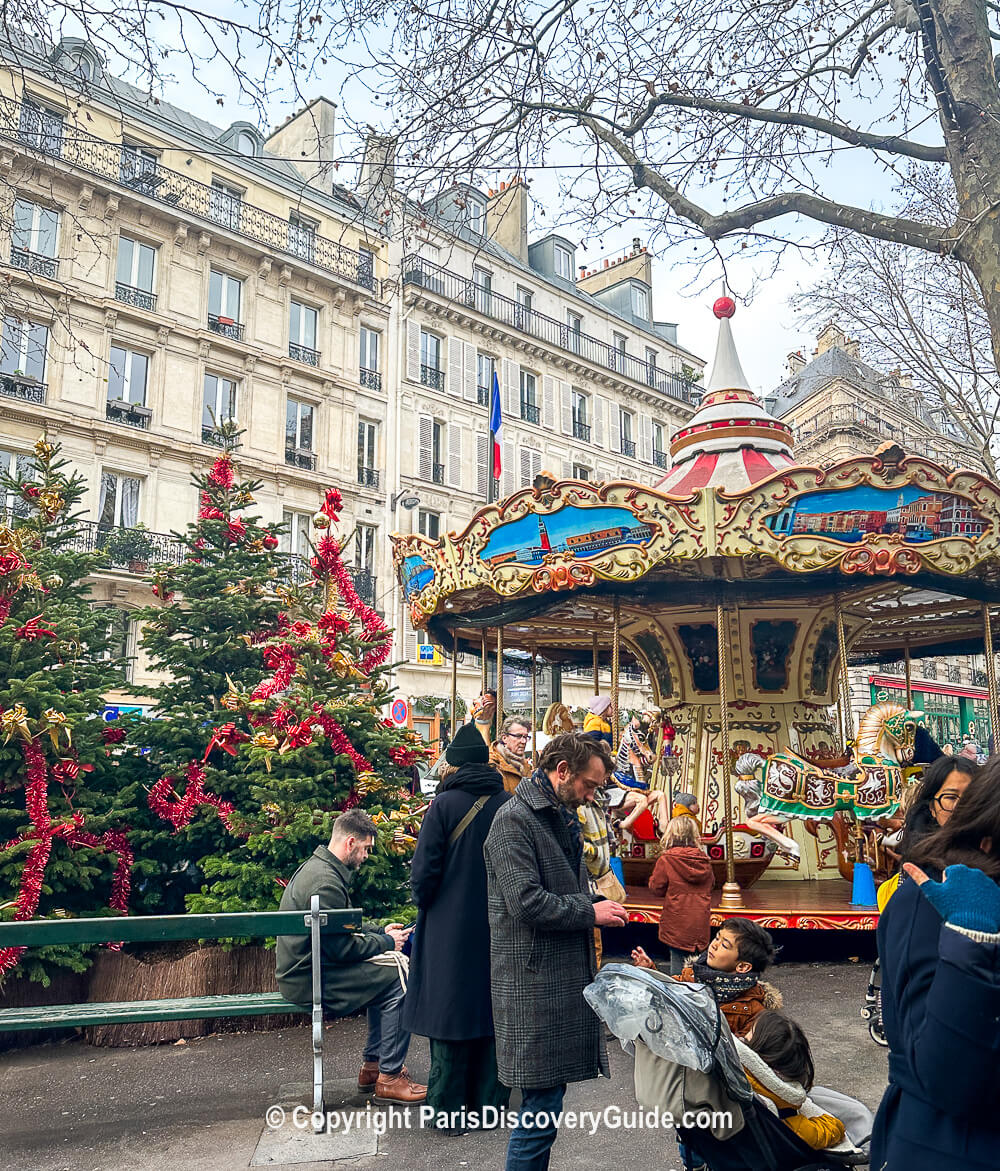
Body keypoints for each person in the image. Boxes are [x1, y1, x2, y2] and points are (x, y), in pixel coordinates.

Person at [484, 732, 628, 1171]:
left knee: (544, 1106)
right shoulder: (514, 820)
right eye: (589, 784)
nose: (592, 794)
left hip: (547, 975)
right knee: (539, 1110)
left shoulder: (555, 814)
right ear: (562, 771)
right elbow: (525, 902)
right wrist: (591, 910)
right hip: (532, 980)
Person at [872, 764, 1000, 1171]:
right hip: (951, 1142)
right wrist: (972, 938)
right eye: (950, 798)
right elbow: (945, 1073)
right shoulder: (931, 894)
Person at [402, 723, 511, 1133]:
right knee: (490, 1013)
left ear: (455, 764)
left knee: (449, 1017)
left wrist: (426, 905)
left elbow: (423, 872)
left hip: (448, 927)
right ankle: (489, 1106)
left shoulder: (443, 806)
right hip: (497, 927)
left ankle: (448, 1111)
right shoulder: (507, 803)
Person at [275, 809, 426, 1103]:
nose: (367, 855)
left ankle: (374, 1066)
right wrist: (385, 942)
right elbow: (340, 949)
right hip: (310, 979)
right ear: (350, 842)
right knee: (398, 979)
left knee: (386, 976)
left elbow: (343, 927)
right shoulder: (326, 883)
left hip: (306, 969)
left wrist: (380, 930)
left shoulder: (321, 869)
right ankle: (390, 1077)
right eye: (366, 848)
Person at [632, 917, 780, 1037]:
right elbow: (666, 991)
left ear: (742, 967)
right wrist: (650, 970)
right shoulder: (691, 976)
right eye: (717, 938)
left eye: (725, 945)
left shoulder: (753, 1010)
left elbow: (745, 1055)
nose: (714, 945)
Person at [878, 753, 978, 909]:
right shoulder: (920, 867)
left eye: (970, 797)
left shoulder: (990, 857)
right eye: (951, 797)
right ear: (932, 807)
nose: (960, 807)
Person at [737, 1011, 847, 1151]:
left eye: (745, 1040)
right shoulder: (786, 1123)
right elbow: (834, 1127)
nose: (739, 1038)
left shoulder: (736, 1081)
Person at [648, 815, 714, 975]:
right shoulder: (704, 860)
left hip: (677, 919)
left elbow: (656, 888)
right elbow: (711, 885)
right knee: (698, 967)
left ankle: (678, 995)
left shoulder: (667, 859)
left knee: (677, 966)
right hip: (699, 920)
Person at [491, 715, 532, 794]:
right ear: (504, 738)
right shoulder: (492, 764)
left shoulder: (524, 764)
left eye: (526, 737)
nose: (524, 741)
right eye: (518, 736)